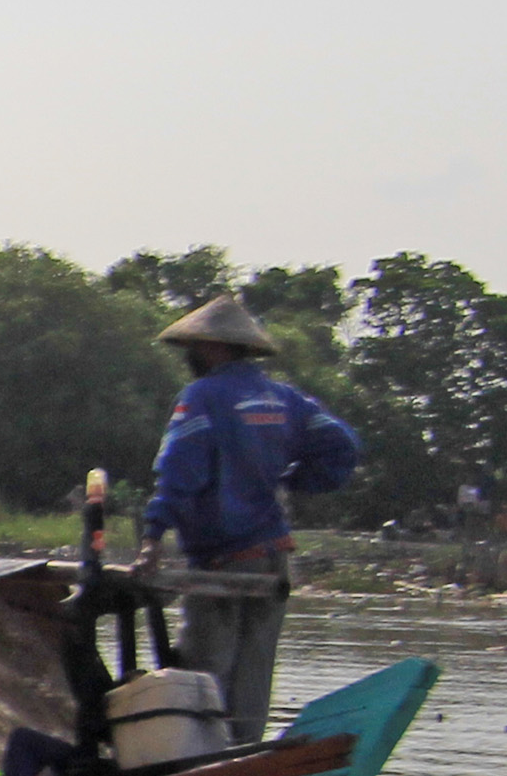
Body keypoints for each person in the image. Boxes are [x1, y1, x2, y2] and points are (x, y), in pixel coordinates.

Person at [139, 292, 361, 743]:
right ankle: (242, 758)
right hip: (273, 556)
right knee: (254, 673)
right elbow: (343, 448)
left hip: (223, 562)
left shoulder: (203, 397)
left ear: (214, 347)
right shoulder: (283, 399)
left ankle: (195, 768)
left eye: (195, 348)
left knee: (204, 674)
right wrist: (293, 481)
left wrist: (153, 536)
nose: (191, 357)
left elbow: (180, 470)